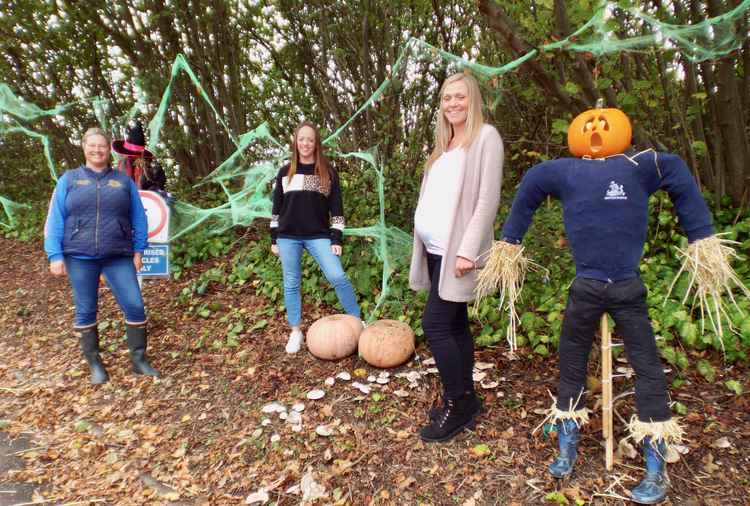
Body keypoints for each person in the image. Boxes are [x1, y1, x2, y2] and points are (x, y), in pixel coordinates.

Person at [493, 107, 712, 504]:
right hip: (586, 286)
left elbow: (677, 171)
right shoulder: (565, 171)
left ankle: (655, 464)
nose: (595, 130)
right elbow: (531, 185)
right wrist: (510, 241)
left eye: (602, 124)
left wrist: (702, 236)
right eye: (588, 124)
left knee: (647, 366)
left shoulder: (639, 166)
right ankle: (567, 444)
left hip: (628, 287)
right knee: (571, 359)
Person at [408, 72, 504, 442]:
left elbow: (487, 199)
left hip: (457, 254)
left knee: (434, 324)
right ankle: (468, 398)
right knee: (455, 324)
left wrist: (468, 250)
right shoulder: (445, 145)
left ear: (473, 99)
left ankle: (457, 401)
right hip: (434, 251)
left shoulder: (485, 138)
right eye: (447, 98)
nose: (452, 104)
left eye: (459, 97)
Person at [45, 127, 160, 384]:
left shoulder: (122, 182)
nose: (97, 150)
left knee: (135, 305)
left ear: (109, 150)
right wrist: (55, 255)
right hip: (79, 255)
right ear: (84, 147)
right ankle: (95, 364)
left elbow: (138, 218)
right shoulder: (69, 180)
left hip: (118, 254)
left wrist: (139, 250)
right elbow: (55, 218)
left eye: (102, 146)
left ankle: (139, 361)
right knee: (86, 309)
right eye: (92, 145)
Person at [270, 122, 361, 353]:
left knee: (337, 275)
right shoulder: (285, 172)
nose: (306, 144)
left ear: (316, 143)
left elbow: (337, 208)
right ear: (296, 142)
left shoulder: (327, 173)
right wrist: (274, 239)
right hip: (288, 237)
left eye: (310, 139)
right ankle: (296, 331)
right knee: (291, 283)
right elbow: (276, 208)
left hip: (318, 235)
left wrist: (336, 238)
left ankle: (358, 322)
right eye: (302, 139)